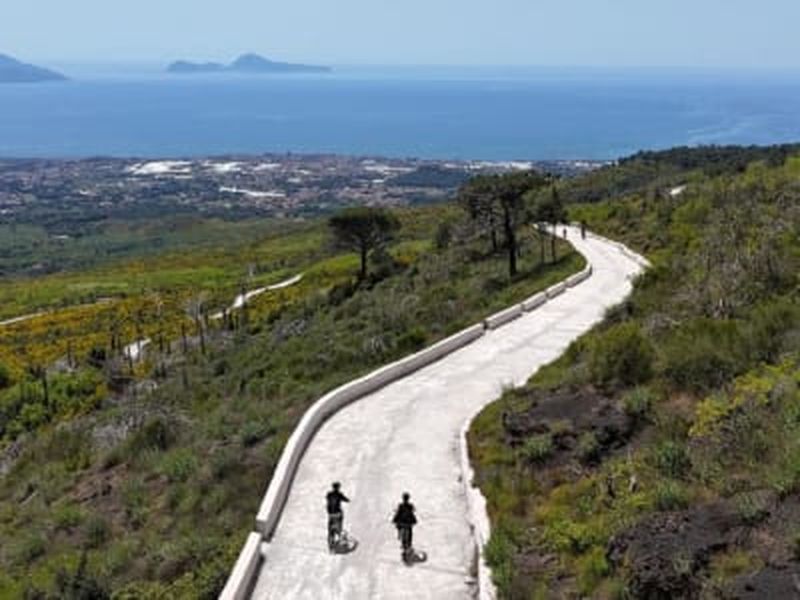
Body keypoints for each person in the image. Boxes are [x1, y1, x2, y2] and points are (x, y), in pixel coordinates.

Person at [326, 482, 349, 550]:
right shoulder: (339, 494)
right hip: (338, 513)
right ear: (338, 488)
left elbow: (327, 500)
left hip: (330, 514)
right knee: (339, 527)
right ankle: (342, 543)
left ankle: (331, 543)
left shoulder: (329, 494)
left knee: (330, 529)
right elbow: (346, 500)